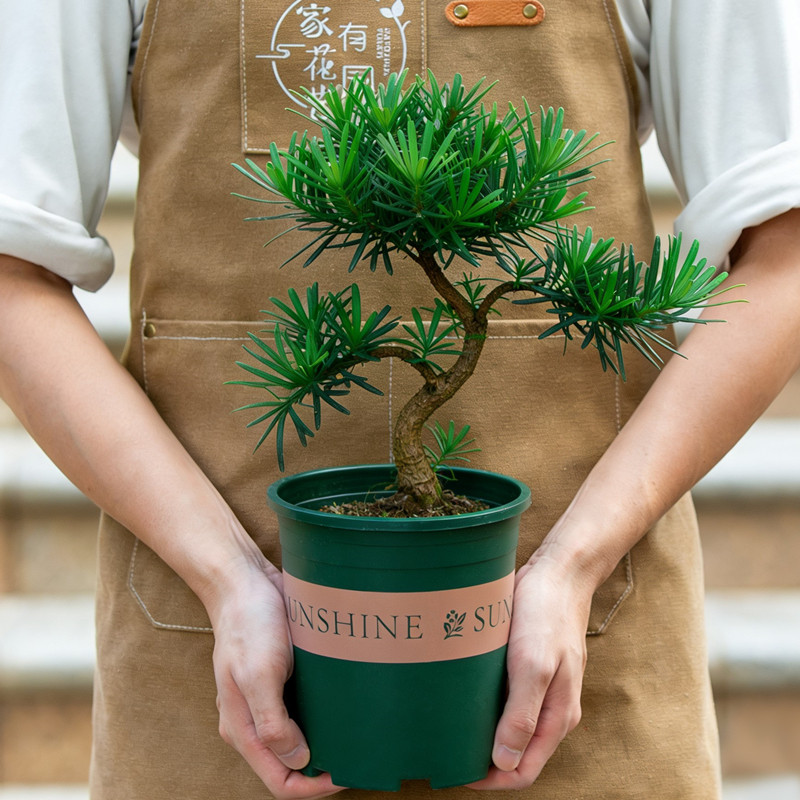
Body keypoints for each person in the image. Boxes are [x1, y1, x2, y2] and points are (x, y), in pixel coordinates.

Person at [1, 1, 799, 798]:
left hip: (581, 652)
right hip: (221, 656)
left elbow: (784, 252)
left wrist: (572, 566)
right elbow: (12, 273)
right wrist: (228, 576)